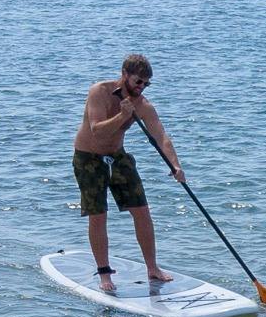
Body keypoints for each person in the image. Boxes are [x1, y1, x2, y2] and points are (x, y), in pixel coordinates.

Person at [73, 53, 186, 292]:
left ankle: (153, 268)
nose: (141, 88)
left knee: (142, 211)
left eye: (146, 84)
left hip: (118, 157)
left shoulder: (143, 105)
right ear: (124, 74)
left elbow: (161, 136)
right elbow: (97, 131)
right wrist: (122, 116)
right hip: (88, 159)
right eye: (137, 82)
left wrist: (175, 165)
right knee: (99, 214)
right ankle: (104, 274)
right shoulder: (99, 92)